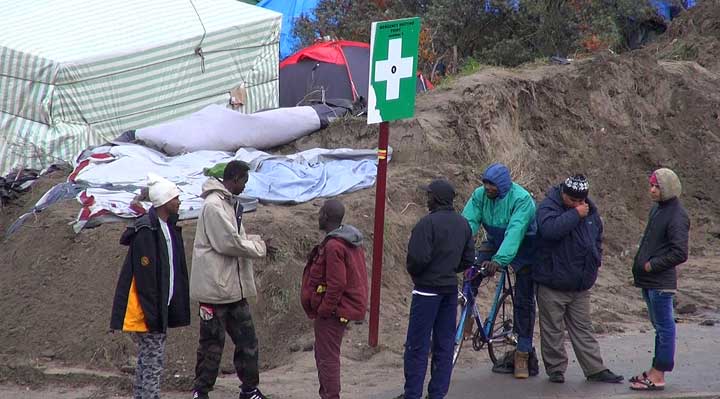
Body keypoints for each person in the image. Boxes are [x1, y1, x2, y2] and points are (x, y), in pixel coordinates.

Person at [190, 160, 270, 399]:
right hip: (215, 291)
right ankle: (201, 392)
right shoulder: (214, 206)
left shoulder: (228, 204)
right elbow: (229, 243)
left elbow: (236, 238)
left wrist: (254, 242)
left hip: (233, 289)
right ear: (234, 179)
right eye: (244, 181)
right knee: (212, 345)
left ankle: (249, 389)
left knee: (248, 340)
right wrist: (260, 248)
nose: (245, 186)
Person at [533, 175, 623, 384]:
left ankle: (595, 369)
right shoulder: (549, 206)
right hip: (552, 282)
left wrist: (595, 260)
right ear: (563, 193)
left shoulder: (590, 211)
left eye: (580, 201)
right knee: (552, 330)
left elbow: (597, 237)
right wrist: (575, 214)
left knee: (583, 328)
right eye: (572, 200)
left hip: (580, 284)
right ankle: (556, 370)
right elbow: (550, 230)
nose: (577, 204)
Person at [110, 173, 191, 399]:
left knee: (148, 359)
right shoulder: (147, 231)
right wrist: (153, 314)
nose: (180, 202)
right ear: (164, 202)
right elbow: (146, 281)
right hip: (148, 310)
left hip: (158, 307)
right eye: (175, 198)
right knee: (153, 360)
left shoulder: (167, 228)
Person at [461, 163, 537, 378]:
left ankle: (522, 352)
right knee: (470, 272)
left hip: (525, 244)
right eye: (485, 183)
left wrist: (499, 260)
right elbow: (468, 223)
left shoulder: (521, 199)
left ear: (503, 185)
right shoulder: (479, 195)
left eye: (492, 185)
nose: (487, 188)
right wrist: (458, 247)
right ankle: (466, 313)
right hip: (495, 239)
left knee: (523, 300)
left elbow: (515, 231)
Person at [402, 179, 475, 399]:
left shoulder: (427, 224)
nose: (427, 199)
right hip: (449, 290)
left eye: (429, 195)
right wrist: (449, 270)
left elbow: (416, 259)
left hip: (426, 291)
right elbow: (468, 259)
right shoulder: (463, 224)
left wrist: (420, 275)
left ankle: (413, 393)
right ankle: (437, 393)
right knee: (444, 345)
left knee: (417, 345)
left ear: (436, 198)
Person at [301, 199, 368, 399]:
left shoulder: (334, 246)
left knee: (327, 358)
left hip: (334, 312)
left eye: (321, 212)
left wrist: (324, 310)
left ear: (326, 217)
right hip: (340, 309)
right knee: (324, 355)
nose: (318, 215)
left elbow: (337, 283)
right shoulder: (348, 241)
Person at [630, 168, 689, 391]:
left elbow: (679, 252)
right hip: (649, 282)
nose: (652, 190)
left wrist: (651, 265)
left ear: (668, 189)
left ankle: (658, 375)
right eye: (652, 185)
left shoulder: (677, 215)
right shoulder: (658, 209)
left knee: (665, 328)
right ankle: (655, 369)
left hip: (661, 283)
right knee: (659, 327)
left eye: (657, 187)